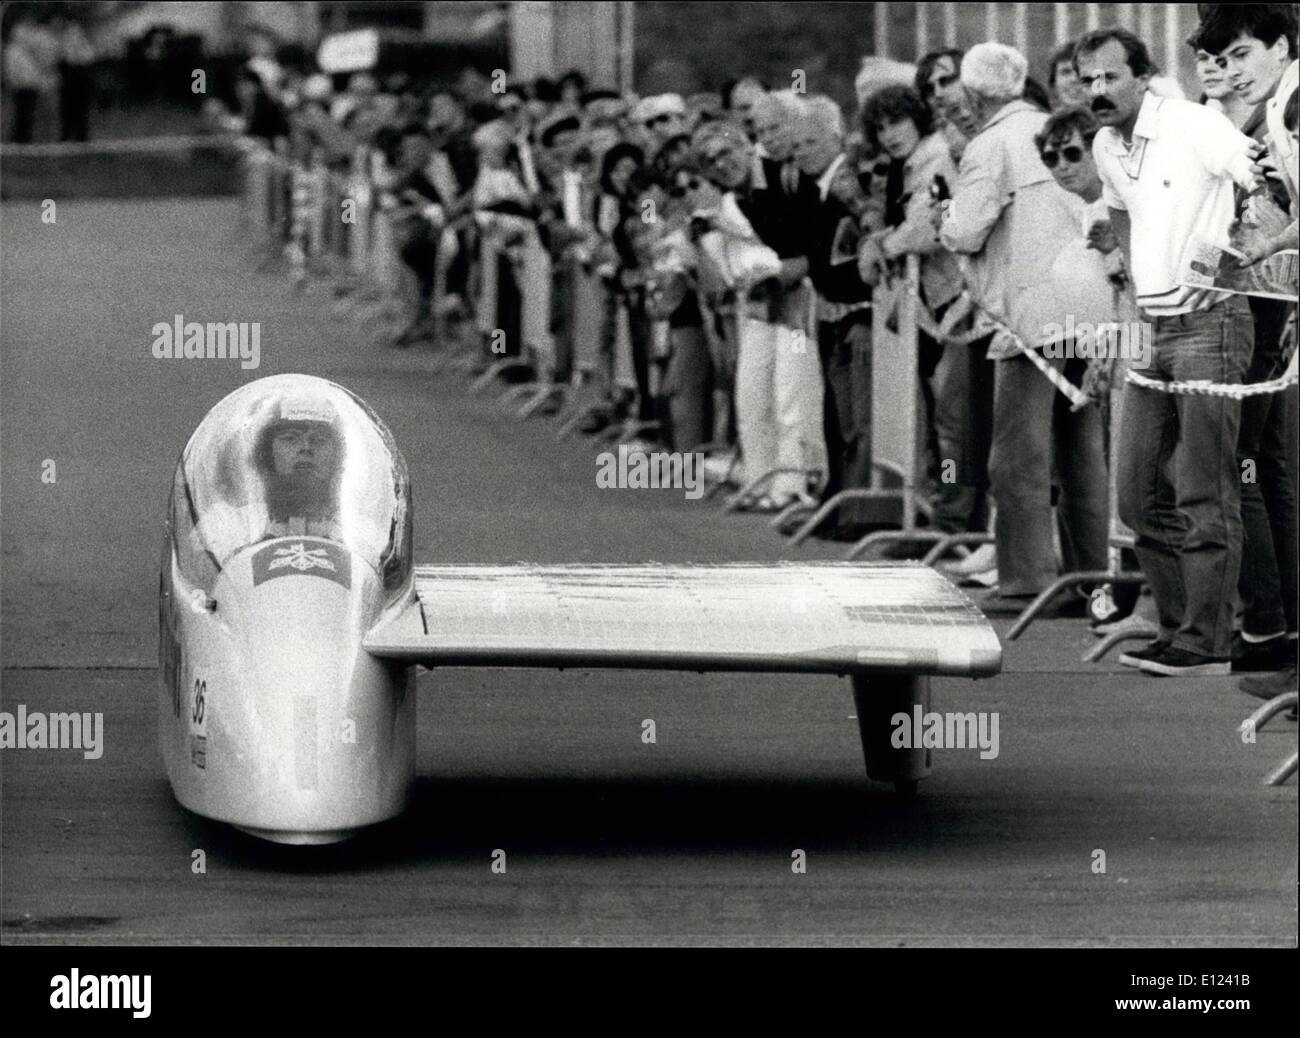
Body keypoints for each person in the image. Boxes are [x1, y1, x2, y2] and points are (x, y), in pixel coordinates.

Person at [1079, 26, 1264, 676]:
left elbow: (1259, 177)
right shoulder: (1105, 143)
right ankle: (1180, 621)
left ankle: (1209, 636)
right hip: (1151, 329)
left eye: (1109, 76)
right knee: (1133, 494)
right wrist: (1125, 257)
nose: (1097, 90)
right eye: (1087, 80)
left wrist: (1224, 258)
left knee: (1204, 489)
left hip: (1212, 322)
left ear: (1143, 75)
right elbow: (1119, 210)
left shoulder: (1190, 122)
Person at [939, 42, 1108, 617]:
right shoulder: (1056, 128)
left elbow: (963, 230)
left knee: (1018, 455)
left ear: (970, 94)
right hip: (1085, 307)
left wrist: (942, 215)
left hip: (1028, 318)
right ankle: (1094, 577)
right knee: (1082, 451)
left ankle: (1027, 580)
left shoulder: (988, 145)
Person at [1195, 4, 1299, 680]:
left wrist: (1269, 243)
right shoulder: (1278, 106)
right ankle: (1278, 625)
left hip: (1268, 301)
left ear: (1282, 46)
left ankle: (1269, 621)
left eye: (1241, 55)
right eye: (1221, 60)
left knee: (1248, 459)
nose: (1230, 73)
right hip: (1277, 292)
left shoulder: (1291, 107)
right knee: (1265, 462)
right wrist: (1270, 240)